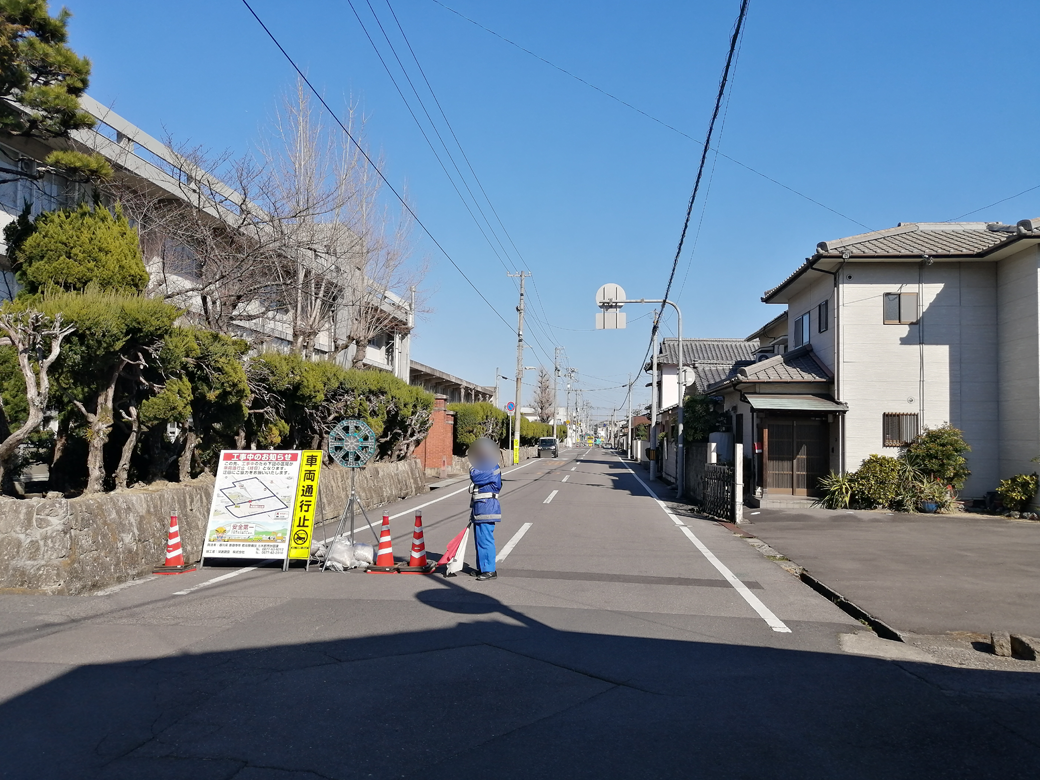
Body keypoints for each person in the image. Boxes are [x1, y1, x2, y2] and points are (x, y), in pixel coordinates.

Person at [467, 437, 502, 581]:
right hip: (480, 507)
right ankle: (482, 567)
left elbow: (475, 476)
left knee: (485, 539)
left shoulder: (491, 468)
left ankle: (489, 570)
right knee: (479, 539)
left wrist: (472, 468)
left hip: (487, 507)